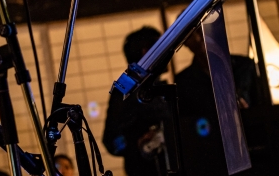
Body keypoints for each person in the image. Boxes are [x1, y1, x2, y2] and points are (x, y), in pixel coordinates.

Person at [175, 28, 258, 176]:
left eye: (202, 31)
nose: (199, 37)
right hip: (211, 154)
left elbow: (262, 105)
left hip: (250, 145)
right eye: (192, 34)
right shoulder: (183, 81)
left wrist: (247, 111)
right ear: (185, 42)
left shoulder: (244, 66)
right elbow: (186, 124)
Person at [103, 26, 169, 176]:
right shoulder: (124, 86)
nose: (168, 54)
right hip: (144, 170)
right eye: (163, 48)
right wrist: (138, 143)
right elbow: (111, 139)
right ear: (146, 52)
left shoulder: (161, 86)